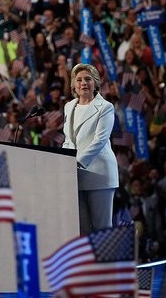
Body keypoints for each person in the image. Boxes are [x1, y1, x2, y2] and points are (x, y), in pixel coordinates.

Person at [62, 64, 118, 234]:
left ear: (95, 83)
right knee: (83, 231)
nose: (83, 83)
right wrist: (63, 161)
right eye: (79, 80)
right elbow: (68, 140)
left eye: (87, 79)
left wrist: (76, 163)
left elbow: (100, 140)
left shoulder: (105, 107)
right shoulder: (69, 106)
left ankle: (108, 261)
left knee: (102, 230)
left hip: (99, 174)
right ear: (73, 85)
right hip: (74, 176)